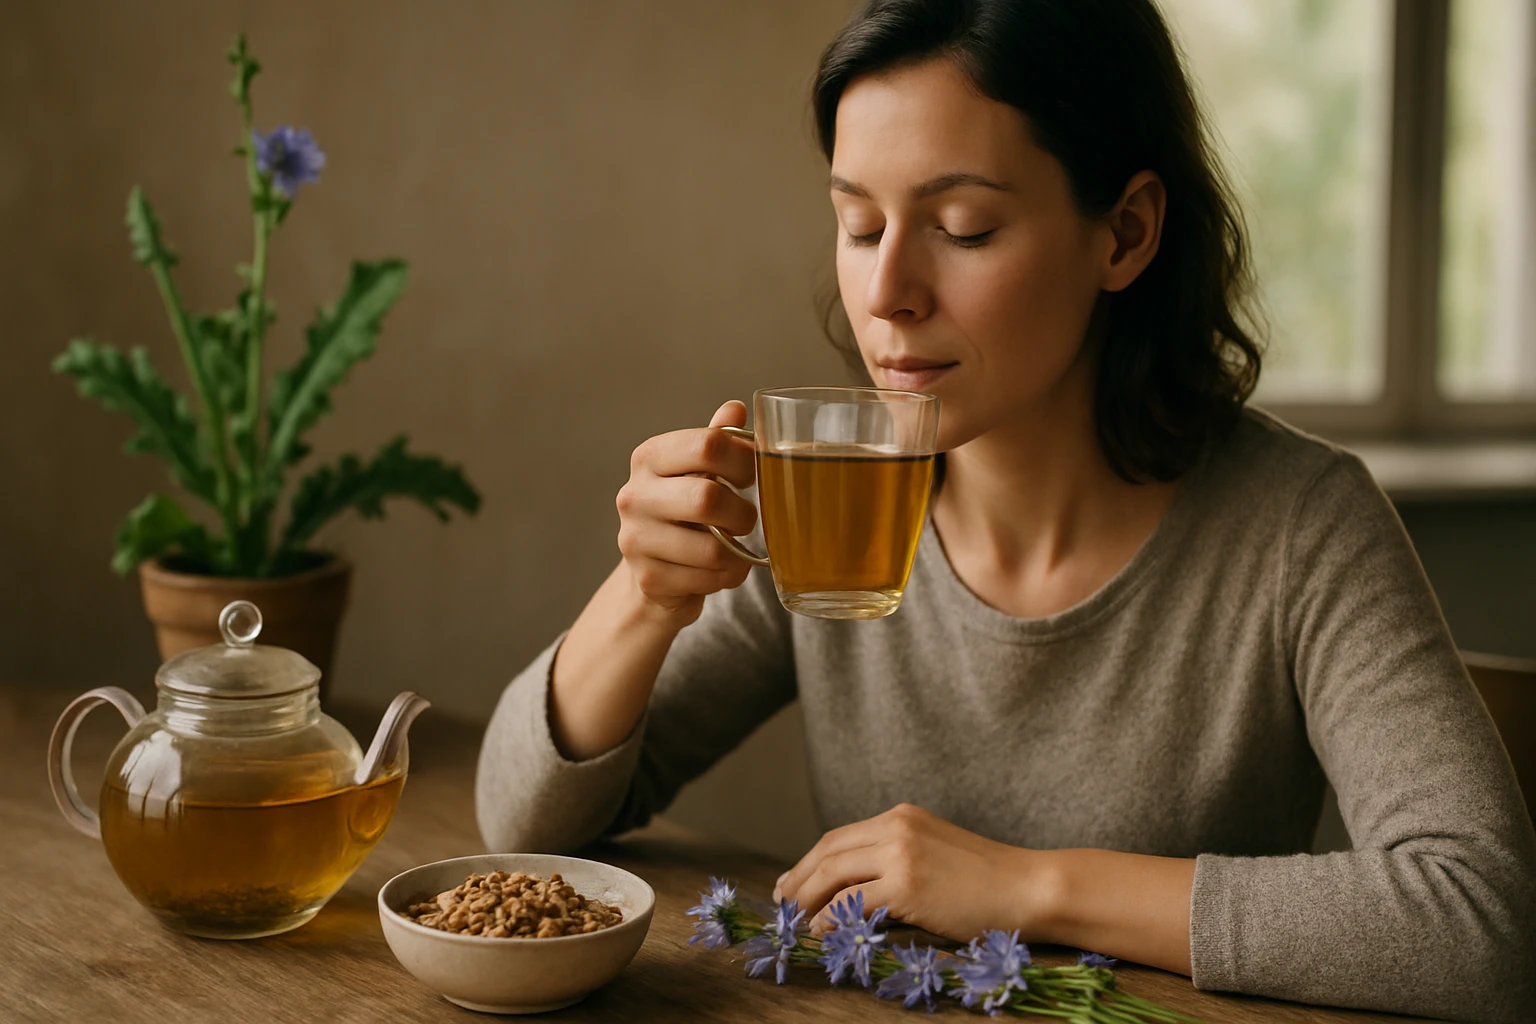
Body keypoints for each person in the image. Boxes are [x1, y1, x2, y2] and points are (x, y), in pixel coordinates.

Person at [475, 1, 1536, 1019]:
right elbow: (518, 821)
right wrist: (643, 595)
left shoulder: (1300, 526)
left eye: (964, 228)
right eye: (857, 223)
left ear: (1124, 233)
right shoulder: (833, 498)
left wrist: (1025, 887)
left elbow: (1482, 920)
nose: (887, 289)